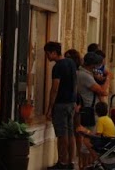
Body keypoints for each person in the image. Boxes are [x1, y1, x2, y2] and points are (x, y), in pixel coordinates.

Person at [45, 41, 78, 170]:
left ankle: (62, 162)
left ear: (54, 52)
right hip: (71, 103)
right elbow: (75, 83)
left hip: (61, 104)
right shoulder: (71, 63)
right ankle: (71, 162)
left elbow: (55, 88)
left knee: (62, 135)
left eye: (48, 53)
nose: (47, 57)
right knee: (70, 133)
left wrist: (50, 108)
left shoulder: (58, 67)